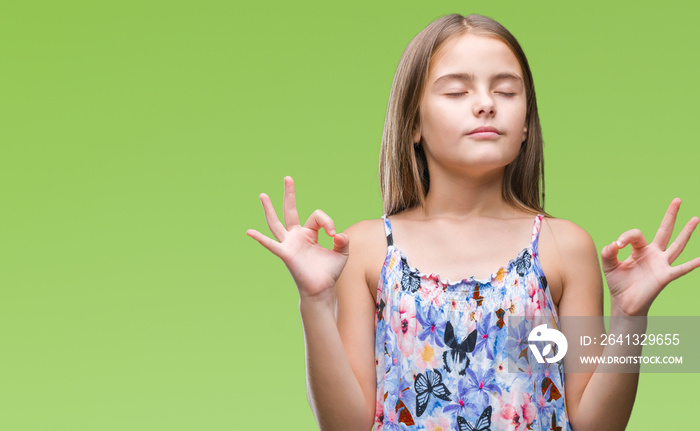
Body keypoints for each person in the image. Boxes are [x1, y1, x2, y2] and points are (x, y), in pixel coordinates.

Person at [246, 13, 700, 431]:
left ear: (526, 125)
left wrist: (629, 318)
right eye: (456, 91)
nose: (485, 104)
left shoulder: (564, 247)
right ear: (413, 124)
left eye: (506, 91)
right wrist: (315, 301)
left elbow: (596, 424)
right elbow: (346, 424)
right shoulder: (365, 249)